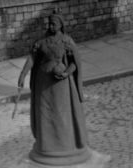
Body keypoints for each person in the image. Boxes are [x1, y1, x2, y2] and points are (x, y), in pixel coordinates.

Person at [17, 12, 89, 165]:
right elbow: (32, 58)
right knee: (45, 114)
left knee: (62, 114)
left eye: (53, 24)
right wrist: (23, 74)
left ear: (61, 25)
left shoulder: (66, 41)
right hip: (43, 84)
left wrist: (66, 73)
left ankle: (65, 144)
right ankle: (46, 146)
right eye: (49, 24)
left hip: (61, 86)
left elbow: (75, 62)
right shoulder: (42, 42)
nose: (50, 26)